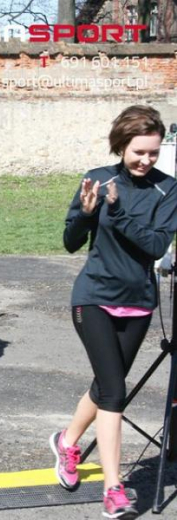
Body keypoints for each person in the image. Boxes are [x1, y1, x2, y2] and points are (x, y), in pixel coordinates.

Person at [52, 105, 177, 519]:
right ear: (121, 145)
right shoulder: (97, 177)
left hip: (139, 302)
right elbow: (71, 241)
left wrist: (118, 213)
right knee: (116, 393)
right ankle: (114, 490)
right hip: (93, 298)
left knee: (109, 386)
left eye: (153, 153)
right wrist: (87, 213)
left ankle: (68, 442)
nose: (145, 160)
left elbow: (157, 246)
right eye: (138, 152)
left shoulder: (168, 190)